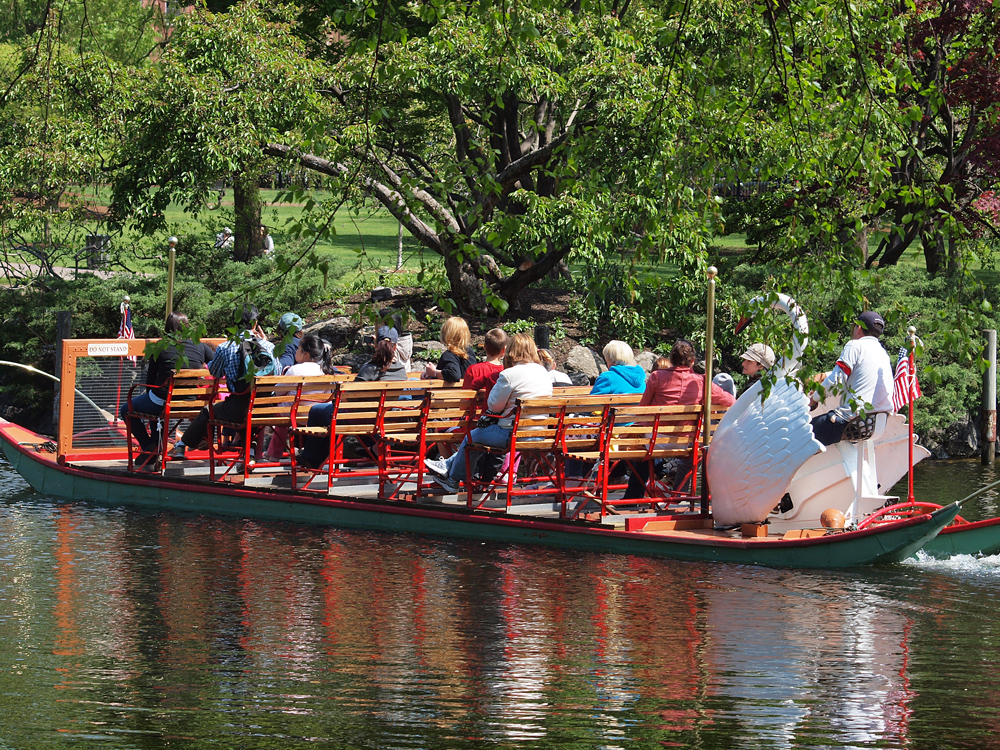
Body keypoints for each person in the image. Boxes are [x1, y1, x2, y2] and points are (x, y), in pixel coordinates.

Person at [424, 332, 552, 493]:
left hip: (510, 434)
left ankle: (453, 480)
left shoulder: (509, 374)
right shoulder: (544, 374)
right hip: (538, 434)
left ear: (511, 351)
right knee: (476, 437)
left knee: (472, 437)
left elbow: (494, 406)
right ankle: (449, 467)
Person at [622, 339, 736, 499]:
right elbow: (731, 401)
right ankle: (681, 495)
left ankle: (634, 497)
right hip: (686, 441)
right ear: (692, 361)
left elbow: (642, 409)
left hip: (656, 441)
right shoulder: (701, 382)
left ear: (672, 359)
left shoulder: (656, 377)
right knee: (694, 453)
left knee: (642, 449)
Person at [168, 303, 276, 459]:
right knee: (248, 415)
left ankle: (180, 446)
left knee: (208, 411)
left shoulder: (226, 347)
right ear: (254, 324)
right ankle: (250, 453)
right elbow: (277, 374)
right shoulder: (270, 347)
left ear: (233, 324)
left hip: (238, 408)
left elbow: (215, 372)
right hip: (266, 408)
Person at [121, 311, 214, 464]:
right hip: (191, 404)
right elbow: (217, 365)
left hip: (164, 402)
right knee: (157, 405)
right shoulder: (201, 347)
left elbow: (150, 380)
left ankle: (149, 447)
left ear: (167, 328)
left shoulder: (160, 347)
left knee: (127, 409)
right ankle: (156, 446)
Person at [809, 311, 893, 446]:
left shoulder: (855, 345)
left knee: (798, 434)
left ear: (858, 327)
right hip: (875, 424)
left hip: (850, 422)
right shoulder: (883, 353)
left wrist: (814, 399)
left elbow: (835, 383)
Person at [265, 334, 335, 461]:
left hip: (294, 414)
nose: (295, 351)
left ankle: (274, 453)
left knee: (279, 412)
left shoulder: (294, 370)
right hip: (315, 415)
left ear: (305, 354)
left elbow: (278, 392)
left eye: (298, 349)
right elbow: (327, 396)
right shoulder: (326, 371)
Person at [462, 328, 508, 404]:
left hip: (475, 414)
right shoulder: (507, 371)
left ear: (484, 347)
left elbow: (465, 400)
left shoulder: (473, 370)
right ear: (504, 350)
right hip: (499, 414)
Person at [424, 316, 477, 383]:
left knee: (413, 380)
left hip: (450, 393)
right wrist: (431, 372)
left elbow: (454, 375)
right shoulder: (469, 352)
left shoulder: (449, 355)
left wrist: (434, 373)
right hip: (467, 392)